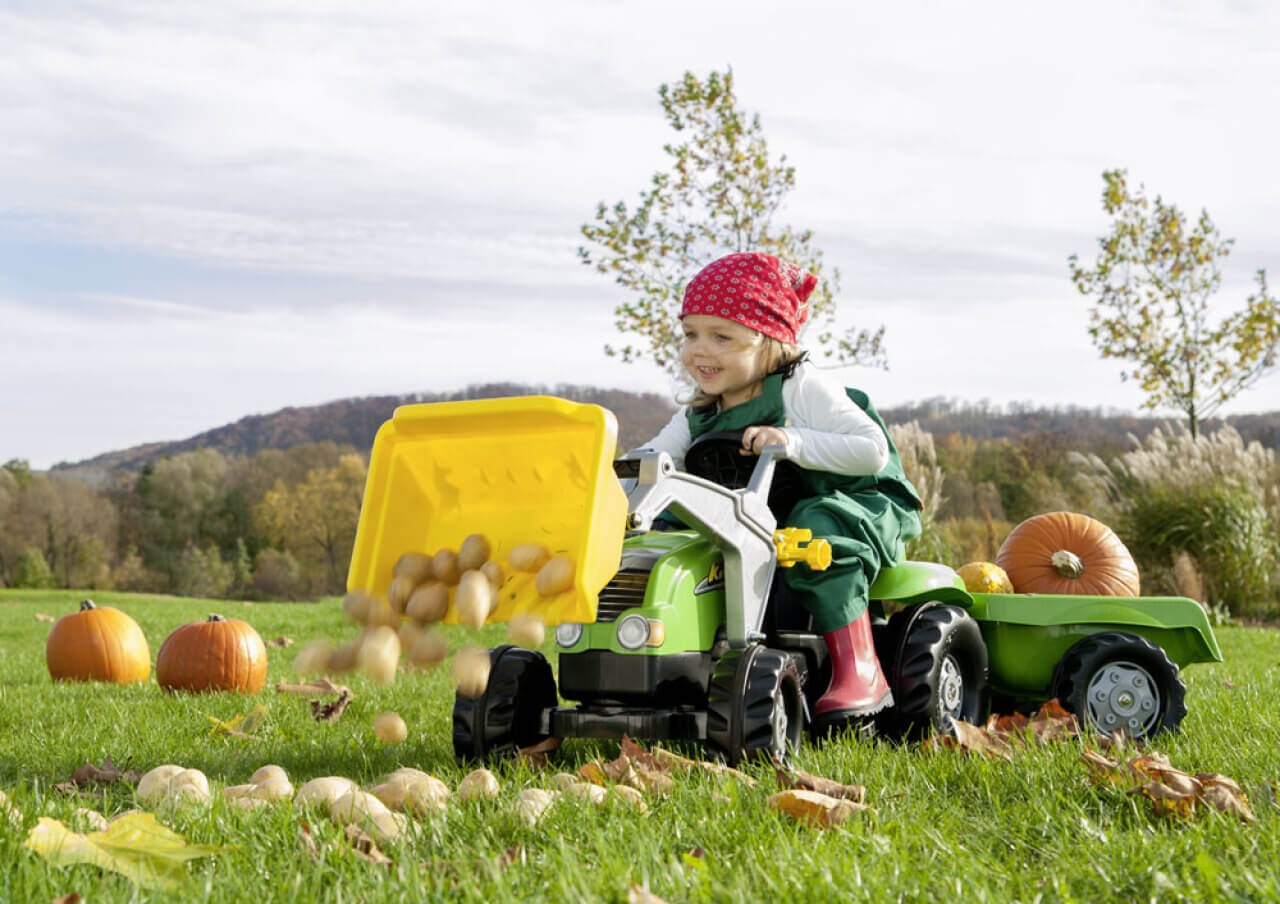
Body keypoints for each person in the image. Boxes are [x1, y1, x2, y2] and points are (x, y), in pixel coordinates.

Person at [638, 251, 923, 735]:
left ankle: (861, 669)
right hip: (758, 512)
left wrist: (792, 441)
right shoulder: (699, 411)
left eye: (721, 336)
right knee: (670, 527)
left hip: (850, 501)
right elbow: (653, 458)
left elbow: (871, 451)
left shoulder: (800, 389)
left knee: (814, 530)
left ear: (767, 339)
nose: (698, 350)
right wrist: (618, 479)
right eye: (691, 334)